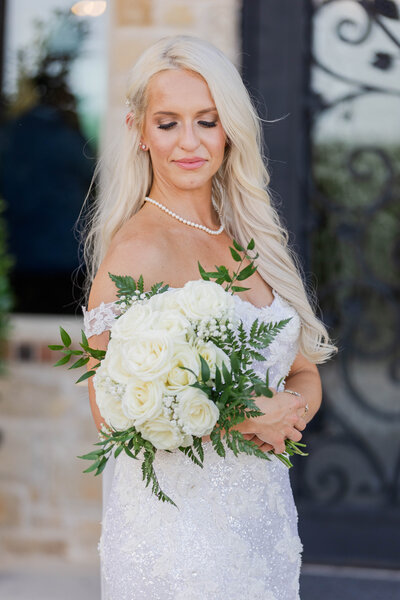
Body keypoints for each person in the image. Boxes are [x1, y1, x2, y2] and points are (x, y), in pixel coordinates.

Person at [81, 34, 337, 600]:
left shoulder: (251, 240)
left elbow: (302, 374)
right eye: (168, 123)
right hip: (179, 544)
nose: (189, 143)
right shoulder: (137, 253)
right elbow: (110, 412)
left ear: (231, 130)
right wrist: (243, 417)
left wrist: (289, 411)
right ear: (140, 132)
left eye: (208, 120)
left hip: (263, 531)